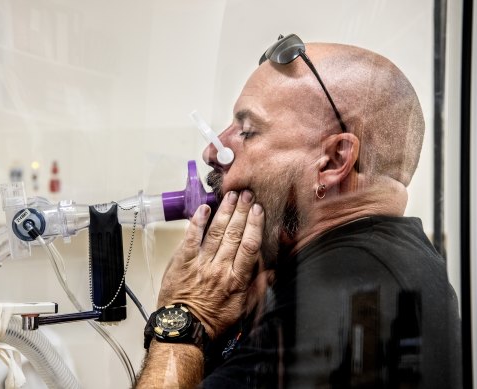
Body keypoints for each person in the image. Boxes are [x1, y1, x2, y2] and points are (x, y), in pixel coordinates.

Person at [136, 34, 462, 388]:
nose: (212, 153)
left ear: (334, 161)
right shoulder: (386, 263)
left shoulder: (331, 303)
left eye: (247, 132)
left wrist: (184, 318)